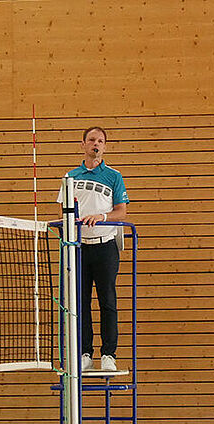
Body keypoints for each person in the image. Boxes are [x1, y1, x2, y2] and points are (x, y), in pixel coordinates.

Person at [57, 126, 129, 372]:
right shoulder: (70, 177)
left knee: (107, 301)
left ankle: (109, 354)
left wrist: (102, 216)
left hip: (105, 246)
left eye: (100, 141)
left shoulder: (114, 176)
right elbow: (63, 211)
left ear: (105, 146)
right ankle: (84, 353)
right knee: (81, 303)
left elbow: (122, 211)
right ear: (83, 144)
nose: (95, 144)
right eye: (91, 140)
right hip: (79, 248)